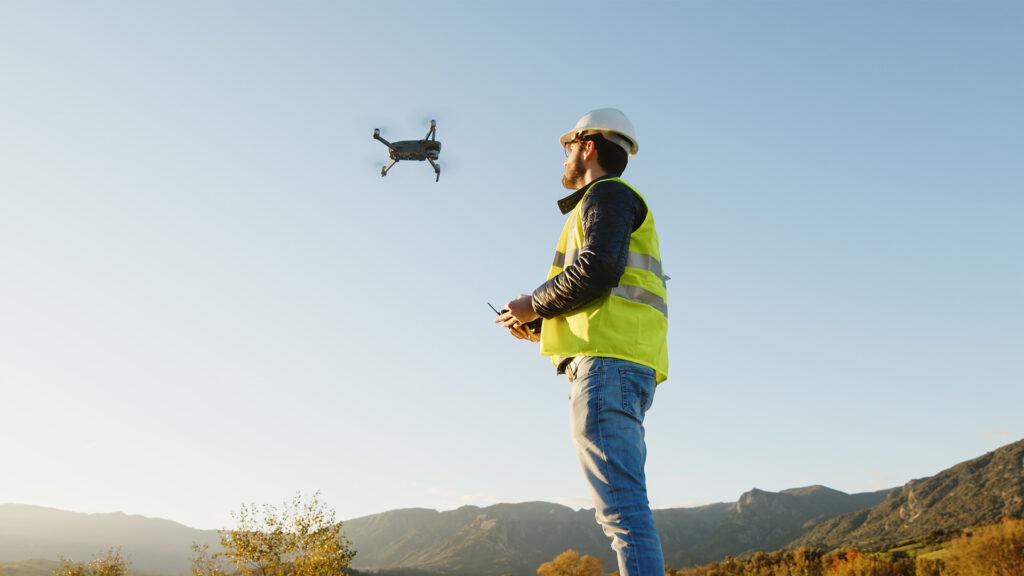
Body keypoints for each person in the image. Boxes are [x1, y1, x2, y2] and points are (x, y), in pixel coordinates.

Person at [496, 108, 669, 576]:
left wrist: (533, 302)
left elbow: (597, 269)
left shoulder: (608, 194)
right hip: (623, 364)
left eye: (567, 147)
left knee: (623, 512)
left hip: (607, 369)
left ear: (587, 147)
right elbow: (604, 292)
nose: (563, 158)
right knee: (626, 508)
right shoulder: (613, 200)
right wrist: (539, 328)